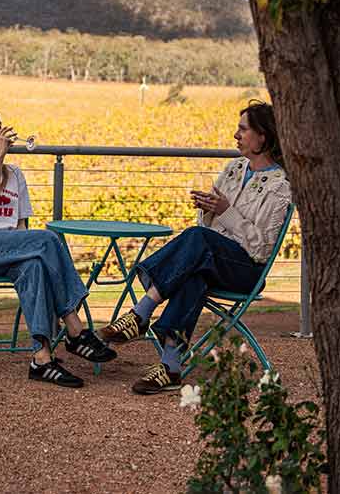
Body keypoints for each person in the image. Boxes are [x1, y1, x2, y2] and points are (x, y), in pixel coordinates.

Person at [98, 100, 292, 395]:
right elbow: (207, 227)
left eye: (243, 130)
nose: (236, 135)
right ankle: (171, 366)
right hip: (212, 259)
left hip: (246, 270)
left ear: (262, 136)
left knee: (197, 241)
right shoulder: (234, 168)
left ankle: (140, 313)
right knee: (194, 273)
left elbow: (261, 248)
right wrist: (209, 210)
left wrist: (226, 211)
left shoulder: (280, 185)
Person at [0, 107, 115, 388]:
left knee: (34, 265)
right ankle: (75, 328)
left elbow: (21, 227)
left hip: (9, 249)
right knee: (47, 239)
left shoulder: (15, 174)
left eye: (0, 124)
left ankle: (41, 359)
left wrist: (25, 252)